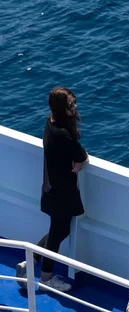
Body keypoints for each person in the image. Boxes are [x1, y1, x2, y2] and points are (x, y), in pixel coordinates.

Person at [16, 87, 88, 292]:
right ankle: (46, 278)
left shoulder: (50, 123)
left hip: (51, 188)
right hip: (62, 193)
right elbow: (82, 155)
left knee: (57, 231)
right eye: (70, 104)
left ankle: (30, 261)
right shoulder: (64, 134)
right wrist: (80, 161)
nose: (74, 107)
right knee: (58, 233)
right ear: (62, 108)